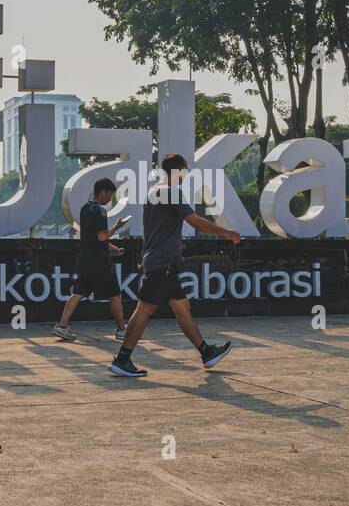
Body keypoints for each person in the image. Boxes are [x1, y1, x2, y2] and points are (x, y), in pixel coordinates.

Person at [110, 153, 241, 379]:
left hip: (160, 260)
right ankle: (122, 359)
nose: (186, 175)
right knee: (144, 310)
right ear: (178, 171)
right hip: (163, 262)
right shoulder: (172, 192)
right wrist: (225, 232)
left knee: (182, 308)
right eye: (185, 170)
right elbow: (194, 220)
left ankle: (206, 352)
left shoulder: (153, 192)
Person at [51, 177, 128, 342]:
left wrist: (114, 249)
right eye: (109, 195)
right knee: (114, 294)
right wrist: (117, 227)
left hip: (86, 260)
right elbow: (101, 237)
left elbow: (93, 238)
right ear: (103, 192)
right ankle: (122, 329)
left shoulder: (85, 209)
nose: (109, 199)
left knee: (78, 293)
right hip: (101, 263)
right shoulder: (100, 211)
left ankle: (62, 326)